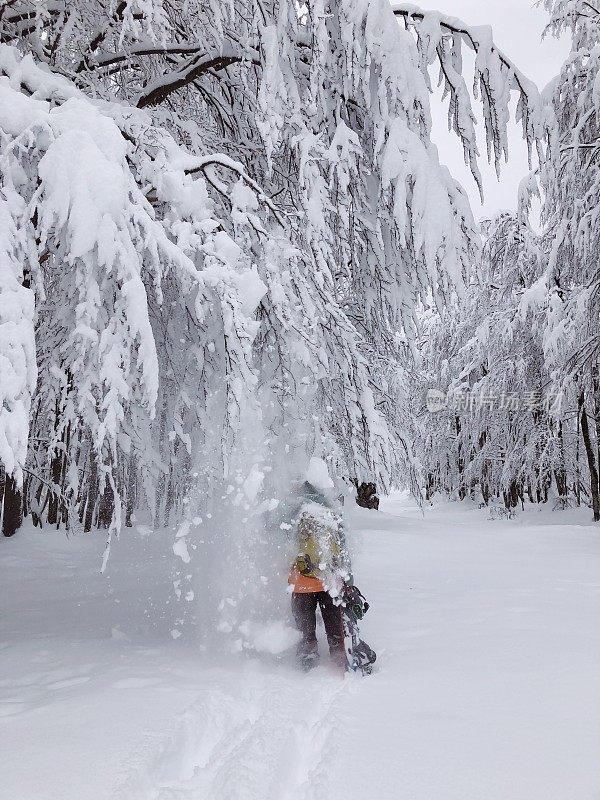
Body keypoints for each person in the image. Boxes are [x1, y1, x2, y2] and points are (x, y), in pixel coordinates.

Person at [287, 480, 350, 670]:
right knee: (333, 621)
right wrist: (347, 580)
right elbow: (343, 548)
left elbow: (279, 539)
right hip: (329, 581)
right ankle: (339, 657)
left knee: (305, 624)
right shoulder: (331, 512)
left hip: (302, 581)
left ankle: (308, 657)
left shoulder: (294, 510)